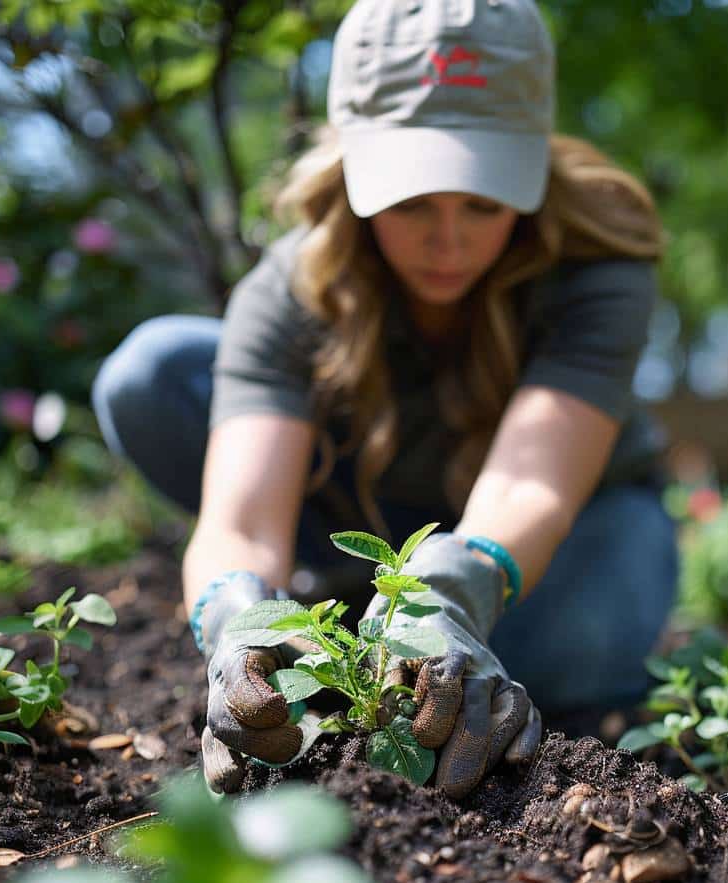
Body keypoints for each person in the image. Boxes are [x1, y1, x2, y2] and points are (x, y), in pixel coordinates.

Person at [92, 0, 678, 798]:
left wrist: (452, 592)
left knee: (585, 636)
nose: (450, 241)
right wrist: (237, 627)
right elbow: (240, 521)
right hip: (357, 516)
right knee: (154, 373)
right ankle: (355, 620)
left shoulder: (598, 265)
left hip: (558, 533)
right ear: (349, 168)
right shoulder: (295, 282)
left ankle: (422, 633)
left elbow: (530, 483)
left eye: (483, 201)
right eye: (409, 201)